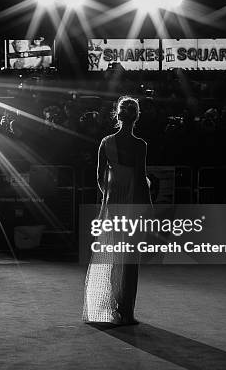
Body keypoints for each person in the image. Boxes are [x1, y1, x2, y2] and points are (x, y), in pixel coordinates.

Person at [82, 96, 152, 325]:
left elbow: (100, 178)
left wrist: (110, 196)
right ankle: (126, 311)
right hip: (133, 205)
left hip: (112, 204)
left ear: (118, 116)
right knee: (130, 259)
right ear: (137, 117)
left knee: (113, 255)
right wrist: (148, 206)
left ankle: (113, 306)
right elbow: (141, 179)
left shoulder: (106, 142)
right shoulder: (139, 145)